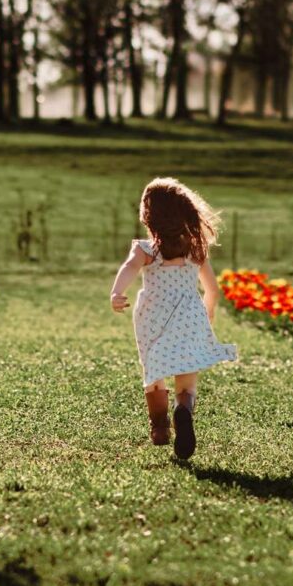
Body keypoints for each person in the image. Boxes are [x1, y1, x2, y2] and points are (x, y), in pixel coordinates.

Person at [109, 176, 238, 460]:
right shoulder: (195, 249)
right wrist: (207, 315)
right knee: (186, 380)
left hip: (152, 316)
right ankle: (182, 409)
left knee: (153, 371)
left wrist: (117, 292)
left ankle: (159, 428)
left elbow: (129, 267)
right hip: (189, 316)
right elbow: (213, 291)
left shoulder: (146, 250)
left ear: (149, 216)